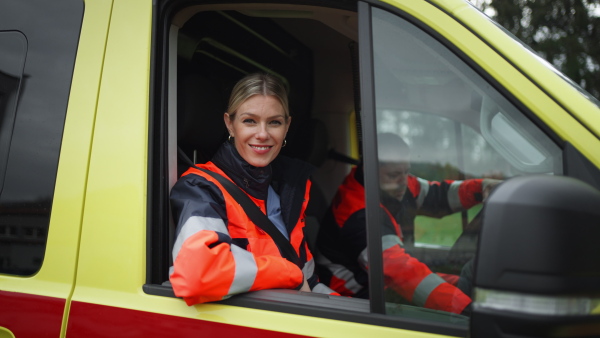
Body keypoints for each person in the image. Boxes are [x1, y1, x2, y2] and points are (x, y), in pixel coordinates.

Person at [169, 73, 333, 306]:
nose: (263, 134)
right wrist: (288, 274)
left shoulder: (289, 189)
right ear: (230, 124)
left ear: (287, 126)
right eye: (249, 121)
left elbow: (308, 279)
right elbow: (198, 273)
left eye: (274, 122)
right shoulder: (200, 188)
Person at [316, 133, 500, 314]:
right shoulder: (358, 214)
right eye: (395, 174)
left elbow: (439, 196)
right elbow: (399, 271)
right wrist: (467, 311)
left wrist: (481, 188)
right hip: (356, 301)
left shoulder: (393, 185)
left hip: (381, 283)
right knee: (458, 302)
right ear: (369, 171)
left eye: (406, 171)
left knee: (468, 281)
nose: (404, 181)